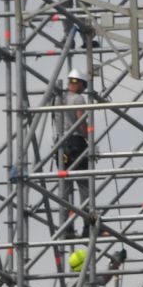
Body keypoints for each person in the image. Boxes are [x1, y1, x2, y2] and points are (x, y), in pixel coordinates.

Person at [50, 71, 97, 229]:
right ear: (81, 84)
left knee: (66, 186)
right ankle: (87, 224)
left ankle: (66, 226)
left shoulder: (57, 99)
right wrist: (89, 139)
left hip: (60, 146)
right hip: (76, 143)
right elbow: (81, 123)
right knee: (84, 185)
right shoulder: (79, 98)